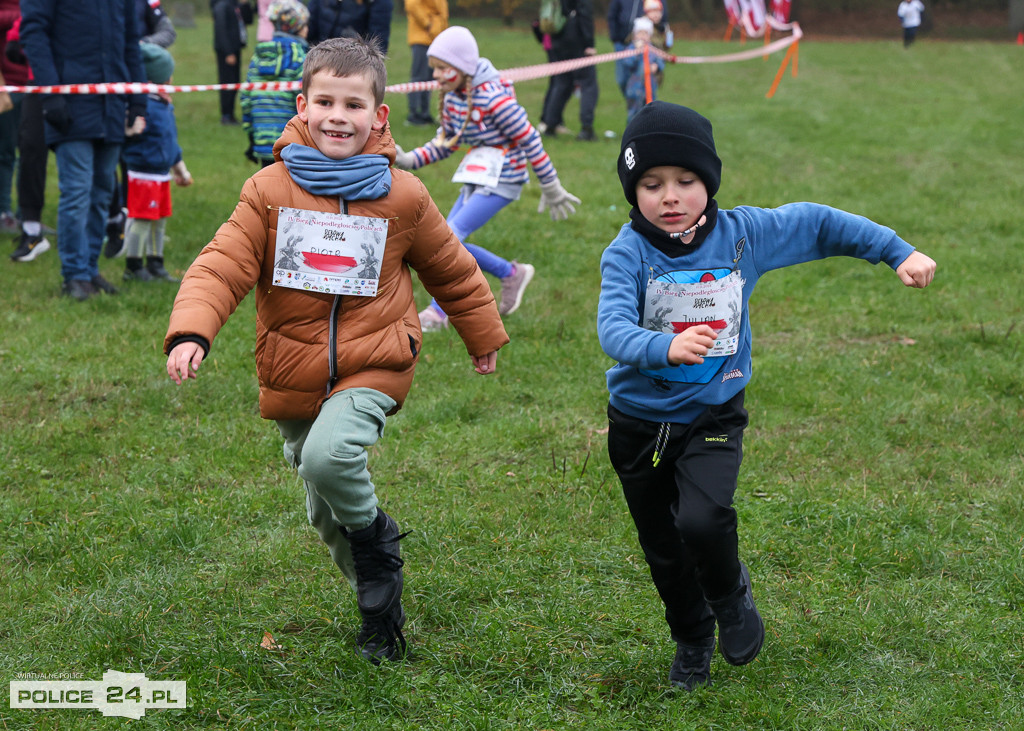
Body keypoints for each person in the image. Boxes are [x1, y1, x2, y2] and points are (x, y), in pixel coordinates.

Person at [164, 37, 509, 664]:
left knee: (328, 457)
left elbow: (452, 269)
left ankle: (378, 543)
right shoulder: (267, 191)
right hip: (292, 365)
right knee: (320, 504)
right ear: (302, 103)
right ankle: (380, 606)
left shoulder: (403, 196)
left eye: (353, 104)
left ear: (378, 115)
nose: (337, 116)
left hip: (376, 359)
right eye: (325, 100)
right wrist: (193, 329)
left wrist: (479, 333)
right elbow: (221, 266)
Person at [598, 102, 936, 691]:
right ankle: (692, 640)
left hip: (712, 412)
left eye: (686, 181)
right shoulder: (627, 253)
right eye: (651, 184)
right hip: (637, 422)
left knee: (702, 520)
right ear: (633, 189)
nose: (669, 196)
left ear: (709, 182)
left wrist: (896, 251)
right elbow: (612, 328)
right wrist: (662, 348)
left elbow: (818, 223)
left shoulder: (743, 235)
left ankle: (730, 596)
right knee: (665, 549)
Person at [394, 26, 581, 330]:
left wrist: (551, 185)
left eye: (444, 68)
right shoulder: (454, 96)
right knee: (444, 237)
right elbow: (446, 142)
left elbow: (530, 139)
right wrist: (409, 159)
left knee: (447, 239)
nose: (438, 75)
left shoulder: (494, 100)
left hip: (504, 179)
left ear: (464, 67)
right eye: (435, 69)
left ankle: (438, 312)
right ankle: (510, 273)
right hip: (477, 175)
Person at [21, 0, 147, 300]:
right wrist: (51, 94)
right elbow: (34, 34)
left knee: (103, 190)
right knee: (77, 190)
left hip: (112, 103)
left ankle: (89, 269)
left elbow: (131, 40)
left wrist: (138, 98)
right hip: (69, 101)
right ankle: (75, 274)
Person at [121, 43, 192, 283]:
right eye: (168, 73)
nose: (172, 78)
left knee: (160, 219)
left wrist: (180, 169)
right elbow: (125, 131)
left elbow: (170, 141)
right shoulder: (143, 105)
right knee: (142, 219)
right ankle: (133, 265)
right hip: (143, 173)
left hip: (162, 174)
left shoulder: (164, 104)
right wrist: (129, 129)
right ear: (159, 77)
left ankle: (156, 262)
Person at [4, 13, 51, 263]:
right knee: (30, 150)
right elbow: (23, 25)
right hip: (38, 83)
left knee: (92, 157)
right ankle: (31, 230)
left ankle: (111, 224)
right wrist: (16, 40)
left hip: (80, 82)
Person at [241, 0, 308, 168]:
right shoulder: (300, 58)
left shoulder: (258, 57)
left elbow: (246, 98)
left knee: (269, 188)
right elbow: (306, 101)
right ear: (298, 27)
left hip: (262, 138)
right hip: (294, 142)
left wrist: (251, 135)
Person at [539, 0, 599, 142]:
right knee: (588, 84)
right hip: (576, 39)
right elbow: (585, 14)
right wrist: (589, 43)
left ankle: (550, 125)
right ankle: (586, 128)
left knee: (561, 83)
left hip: (558, 38)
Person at [608, 0, 666, 101]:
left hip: (646, 46)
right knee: (622, 79)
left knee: (648, 93)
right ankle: (632, 100)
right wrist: (615, 37)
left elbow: (659, 57)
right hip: (622, 43)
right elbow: (612, 14)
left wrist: (657, 66)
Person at [403, 0, 447, 127]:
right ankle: (414, 114)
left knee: (429, 78)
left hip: (434, 38)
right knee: (419, 76)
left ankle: (424, 114)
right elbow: (412, 4)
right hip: (422, 37)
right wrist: (428, 24)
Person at [211, 0, 252, 125]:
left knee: (235, 81)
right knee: (227, 82)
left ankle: (231, 114)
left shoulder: (234, 5)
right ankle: (226, 115)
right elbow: (221, 29)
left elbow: (248, 20)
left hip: (236, 49)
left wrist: (245, 5)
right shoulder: (222, 5)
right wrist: (228, 52)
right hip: (226, 52)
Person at [307, 0, 394, 52]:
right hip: (316, 55)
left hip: (352, 62)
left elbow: (378, 42)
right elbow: (310, 23)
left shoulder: (379, 2)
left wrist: (356, 41)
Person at [621, 17, 664, 122]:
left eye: (645, 33)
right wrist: (636, 52)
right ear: (634, 35)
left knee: (650, 111)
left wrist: (656, 67)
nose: (643, 36)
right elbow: (627, 63)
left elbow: (661, 62)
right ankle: (632, 133)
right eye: (640, 33)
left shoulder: (652, 49)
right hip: (634, 88)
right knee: (634, 113)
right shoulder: (631, 49)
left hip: (650, 87)